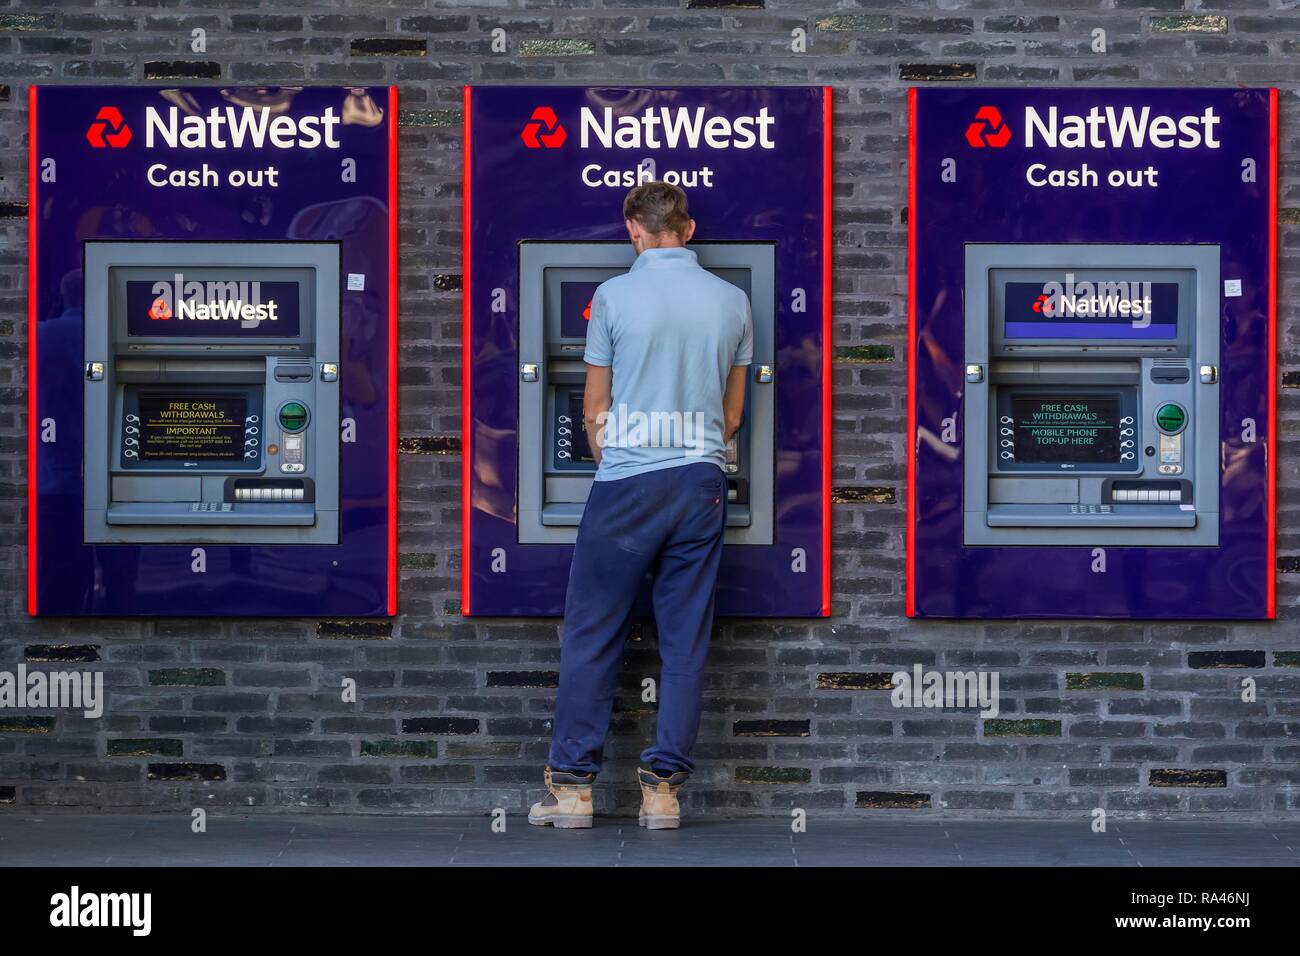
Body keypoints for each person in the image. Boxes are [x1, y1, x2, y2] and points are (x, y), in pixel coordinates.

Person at [528, 181, 753, 830]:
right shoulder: (732, 301)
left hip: (629, 480)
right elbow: (732, 414)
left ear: (634, 229)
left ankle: (572, 791)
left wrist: (618, 466)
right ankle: (663, 794)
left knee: (593, 631)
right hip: (700, 482)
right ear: (689, 228)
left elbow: (594, 408)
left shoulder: (613, 297)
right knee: (684, 639)